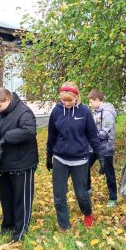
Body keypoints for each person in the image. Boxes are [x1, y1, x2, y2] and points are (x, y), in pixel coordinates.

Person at [0, 87, 38, 242]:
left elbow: (29, 131)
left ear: (8, 100)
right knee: (6, 198)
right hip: (4, 163)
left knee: (21, 198)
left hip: (22, 164)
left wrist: (6, 138)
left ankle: (20, 230)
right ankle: (7, 226)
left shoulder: (24, 112)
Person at [46, 82, 102, 230]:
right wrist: (48, 154)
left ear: (77, 97)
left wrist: (101, 157)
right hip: (60, 159)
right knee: (59, 195)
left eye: (69, 100)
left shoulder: (84, 112)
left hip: (80, 160)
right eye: (63, 100)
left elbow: (93, 136)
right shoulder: (57, 111)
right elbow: (51, 135)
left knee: (81, 194)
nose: (67, 103)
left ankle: (88, 213)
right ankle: (64, 226)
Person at [87, 89, 118, 208]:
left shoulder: (108, 114)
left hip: (105, 148)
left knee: (108, 171)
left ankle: (113, 197)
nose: (90, 105)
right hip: (93, 147)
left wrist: (90, 134)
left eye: (91, 102)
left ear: (97, 100)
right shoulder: (94, 112)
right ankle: (87, 189)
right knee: (85, 166)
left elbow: (104, 133)